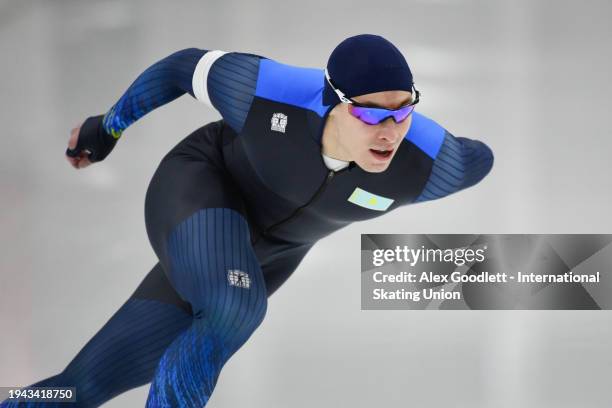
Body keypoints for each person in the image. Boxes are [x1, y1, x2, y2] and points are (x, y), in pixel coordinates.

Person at [1, 34, 494, 407]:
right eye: (369, 115)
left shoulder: (430, 162)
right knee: (237, 308)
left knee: (77, 389)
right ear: (331, 101)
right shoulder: (266, 91)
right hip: (201, 188)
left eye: (403, 111)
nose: (389, 132)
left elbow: (481, 158)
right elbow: (181, 67)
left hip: (269, 255)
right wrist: (106, 127)